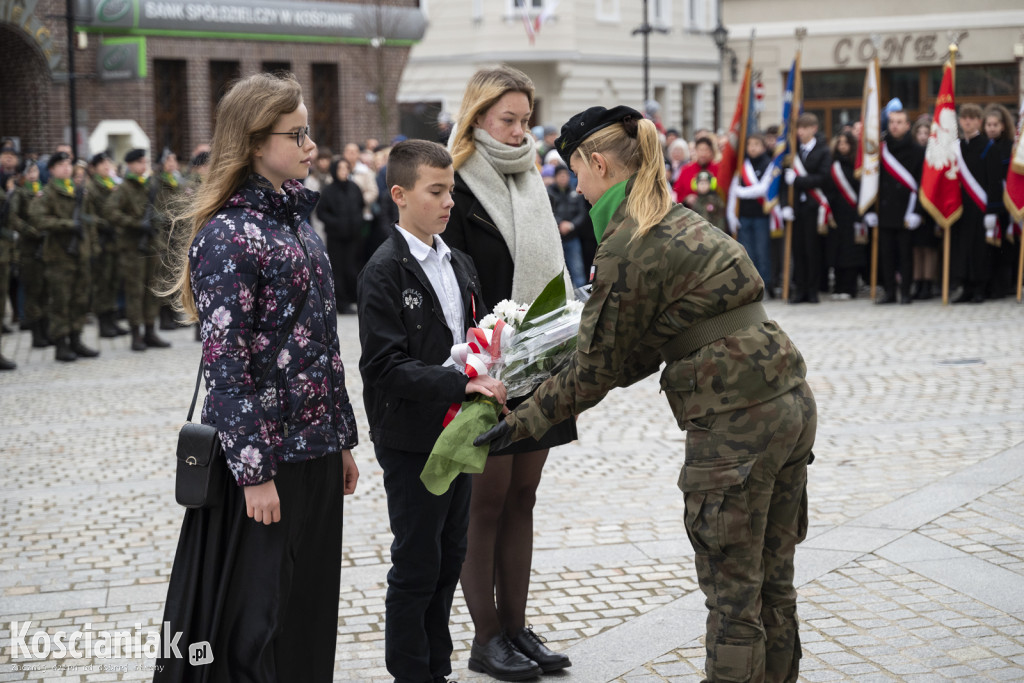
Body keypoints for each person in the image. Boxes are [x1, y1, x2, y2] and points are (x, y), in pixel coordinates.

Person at [476, 104, 817, 683]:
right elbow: (640, 348)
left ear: (600, 164)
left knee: (733, 597)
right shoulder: (673, 217)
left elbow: (594, 370)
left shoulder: (628, 240)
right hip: (787, 400)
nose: (575, 186)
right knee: (771, 582)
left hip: (735, 421)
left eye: (577, 171)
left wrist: (519, 422)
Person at [154, 71, 359, 683]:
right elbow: (227, 367)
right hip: (265, 462)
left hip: (316, 451)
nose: (309, 145)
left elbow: (325, 345)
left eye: (308, 132)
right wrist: (253, 473)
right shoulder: (227, 236)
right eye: (295, 134)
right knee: (254, 627)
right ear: (252, 142)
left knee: (310, 613)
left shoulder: (298, 222)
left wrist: (342, 438)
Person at [445, 64, 574, 679]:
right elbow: (454, 285)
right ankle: (485, 636)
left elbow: (552, 269)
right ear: (477, 118)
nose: (521, 131)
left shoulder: (531, 179)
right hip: (486, 369)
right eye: (508, 119)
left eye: (526, 119)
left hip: (541, 364)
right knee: (486, 505)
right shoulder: (457, 183)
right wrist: (479, 364)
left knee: (524, 496)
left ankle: (517, 628)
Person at [357, 139, 503, 683]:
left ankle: (436, 667)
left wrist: (494, 357)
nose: (448, 203)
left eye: (451, 191)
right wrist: (458, 383)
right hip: (412, 436)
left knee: (449, 555)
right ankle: (410, 671)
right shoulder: (384, 271)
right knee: (417, 561)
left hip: (458, 429)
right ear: (399, 194)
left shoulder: (457, 260)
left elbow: (478, 333)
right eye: (436, 192)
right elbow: (383, 366)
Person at [29, 151, 99, 361]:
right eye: (61, 165)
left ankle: (76, 340)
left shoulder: (78, 191)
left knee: (79, 299)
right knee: (61, 301)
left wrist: (92, 247)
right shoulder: (47, 193)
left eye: (68, 164)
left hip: (80, 254)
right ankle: (61, 344)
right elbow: (37, 218)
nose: (66, 168)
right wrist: (67, 225)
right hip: (59, 256)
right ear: (51, 170)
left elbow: (88, 222)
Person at [106, 148, 170, 350]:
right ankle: (136, 334)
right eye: (140, 162)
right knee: (134, 292)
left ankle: (150, 330)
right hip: (133, 247)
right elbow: (110, 211)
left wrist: (157, 219)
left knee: (152, 290)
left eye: (146, 162)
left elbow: (161, 208)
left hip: (151, 245)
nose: (144, 165)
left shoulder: (150, 185)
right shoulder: (124, 188)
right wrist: (135, 223)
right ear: (131, 164)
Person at [864, 109, 924, 305]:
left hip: (907, 209)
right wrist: (870, 210)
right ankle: (890, 291)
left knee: (906, 255)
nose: (895, 126)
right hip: (885, 210)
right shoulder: (880, 149)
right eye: (892, 122)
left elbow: (922, 183)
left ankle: (905, 292)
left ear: (908, 125)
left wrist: (917, 213)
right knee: (886, 255)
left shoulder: (916, 151)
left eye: (899, 122)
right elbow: (872, 182)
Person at [782, 113, 831, 303]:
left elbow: (823, 178)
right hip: (796, 208)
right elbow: (784, 183)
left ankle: (812, 290)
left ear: (814, 129)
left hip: (814, 207)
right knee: (798, 250)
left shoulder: (823, 151)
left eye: (804, 128)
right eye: (798, 128)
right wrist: (785, 205)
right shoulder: (792, 152)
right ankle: (800, 289)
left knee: (812, 250)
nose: (800, 132)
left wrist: (799, 180)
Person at [950, 104, 991, 303]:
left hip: (981, 206)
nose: (967, 121)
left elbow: (993, 181)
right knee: (962, 248)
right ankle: (965, 286)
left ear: (979, 122)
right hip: (961, 206)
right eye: (964, 118)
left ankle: (979, 288)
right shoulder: (957, 148)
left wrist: (993, 211)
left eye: (972, 118)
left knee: (979, 249)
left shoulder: (987, 146)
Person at [85, 152, 127, 338]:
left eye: (108, 162)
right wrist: (104, 225)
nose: (106, 166)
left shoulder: (113, 185)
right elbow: (89, 215)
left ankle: (112, 320)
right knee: (102, 284)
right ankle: (103, 323)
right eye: (101, 163)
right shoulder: (91, 188)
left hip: (115, 241)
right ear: (93, 168)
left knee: (113, 282)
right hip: (101, 240)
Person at [9, 159, 50, 347]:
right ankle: (36, 333)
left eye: (35, 171)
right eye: (29, 171)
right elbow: (14, 218)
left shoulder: (43, 191)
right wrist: (31, 231)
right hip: (29, 248)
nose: (33, 174)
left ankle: (46, 330)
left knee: (45, 291)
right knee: (33, 291)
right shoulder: (20, 193)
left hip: (46, 247)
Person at [315, 158, 364, 314]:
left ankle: (354, 299)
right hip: (336, 237)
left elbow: (361, 206)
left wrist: (356, 221)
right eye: (340, 168)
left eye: (346, 168)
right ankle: (341, 303)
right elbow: (321, 212)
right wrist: (337, 223)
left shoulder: (354, 187)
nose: (344, 171)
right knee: (338, 269)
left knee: (352, 268)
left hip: (353, 236)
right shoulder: (329, 190)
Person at [823, 131, 868, 299]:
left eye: (846, 143)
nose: (842, 146)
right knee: (837, 251)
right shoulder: (833, 165)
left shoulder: (857, 165)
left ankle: (850, 287)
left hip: (853, 213)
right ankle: (838, 286)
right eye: (840, 142)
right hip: (836, 214)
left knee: (852, 252)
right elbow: (828, 187)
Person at [729, 134, 773, 289]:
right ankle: (750, 285)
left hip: (761, 215)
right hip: (744, 215)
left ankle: (764, 285)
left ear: (763, 147)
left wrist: (741, 191)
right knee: (747, 253)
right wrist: (732, 216)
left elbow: (763, 189)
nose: (752, 148)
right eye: (749, 144)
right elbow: (732, 192)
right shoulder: (742, 164)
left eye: (756, 144)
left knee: (762, 252)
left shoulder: (768, 164)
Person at [982, 103, 1015, 299]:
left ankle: (1004, 285)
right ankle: (988, 284)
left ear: (1003, 126)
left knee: (1005, 248)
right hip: (986, 201)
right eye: (988, 124)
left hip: (1006, 203)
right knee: (988, 248)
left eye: (995, 124)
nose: (992, 128)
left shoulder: (1010, 146)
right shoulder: (983, 147)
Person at [910, 117, 940, 300]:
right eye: (919, 133)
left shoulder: (936, 153)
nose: (922, 137)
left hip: (930, 205)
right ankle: (918, 281)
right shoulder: (913, 153)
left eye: (926, 133)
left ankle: (928, 283)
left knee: (929, 247)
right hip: (913, 205)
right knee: (916, 247)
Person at [548, 165, 589, 287]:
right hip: (556, 239)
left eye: (565, 175)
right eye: (560, 175)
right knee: (559, 272)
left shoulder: (575, 191)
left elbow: (582, 213)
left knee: (578, 270)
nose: (563, 178)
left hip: (573, 237)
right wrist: (560, 223)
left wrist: (570, 225)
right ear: (555, 177)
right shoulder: (549, 192)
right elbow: (548, 212)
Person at [673, 136, 718, 207]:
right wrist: (686, 198)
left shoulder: (718, 169)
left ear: (711, 152)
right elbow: (677, 192)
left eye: (706, 150)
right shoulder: (686, 170)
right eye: (700, 150)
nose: (703, 154)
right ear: (696, 151)